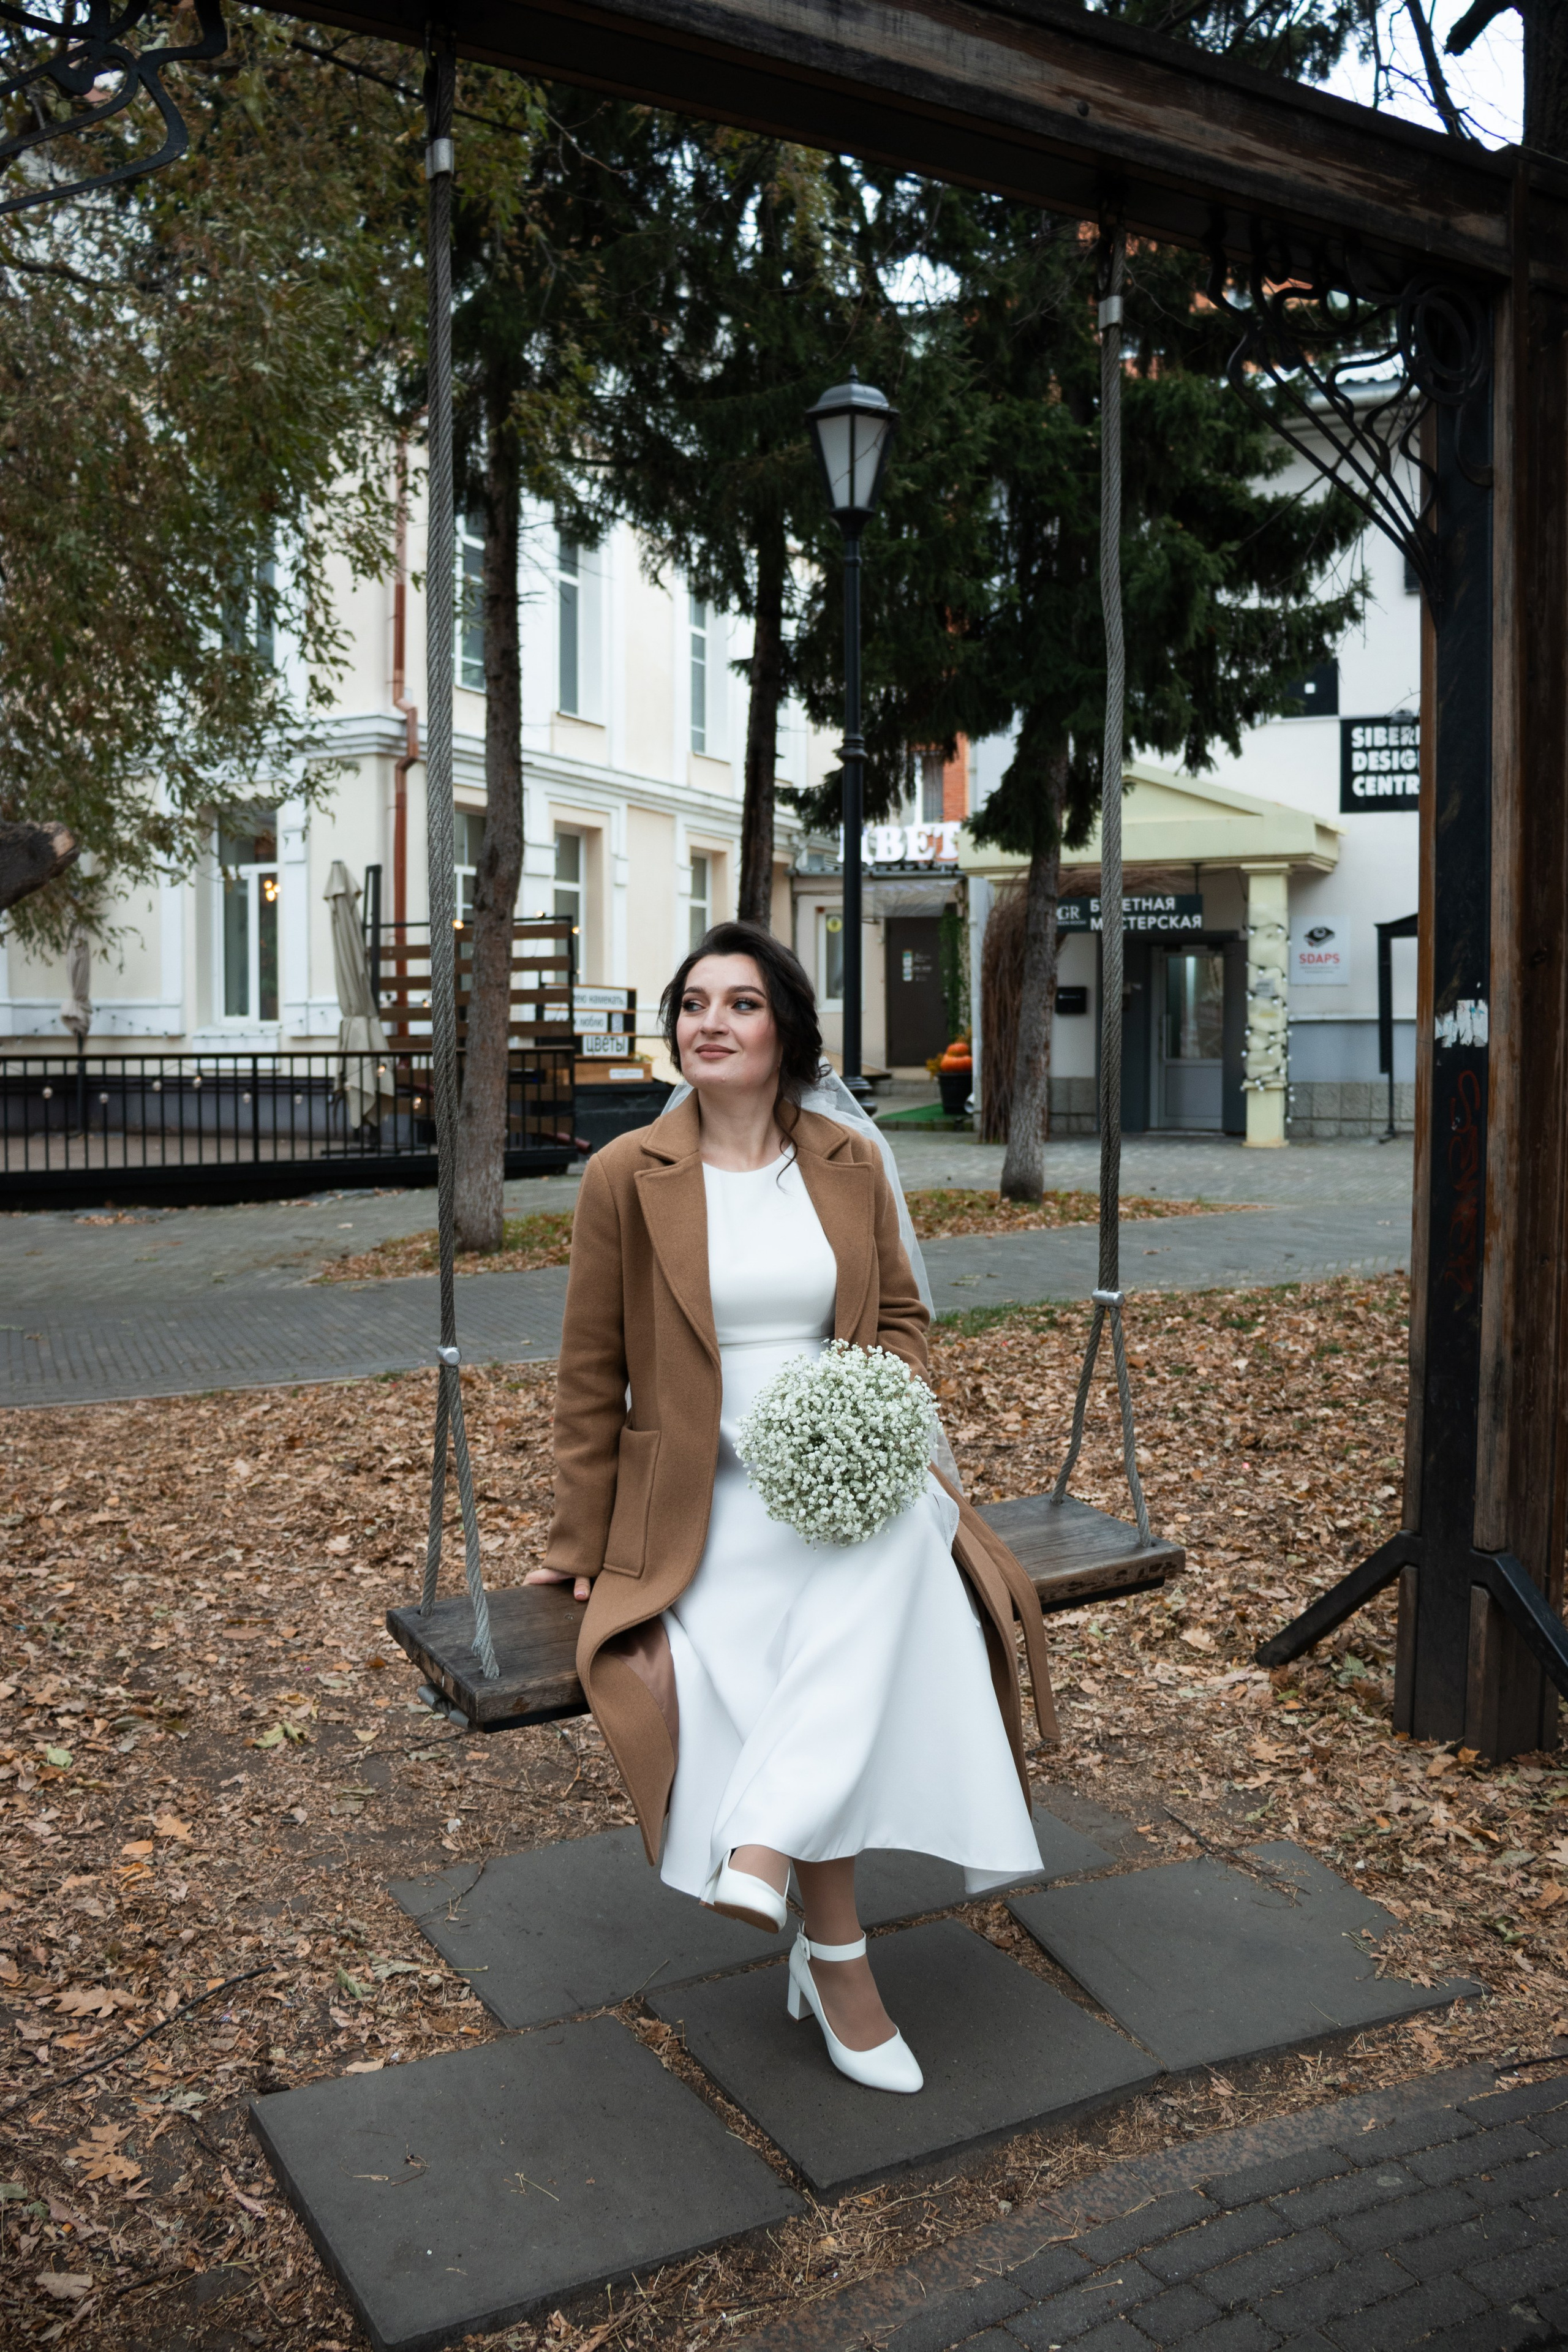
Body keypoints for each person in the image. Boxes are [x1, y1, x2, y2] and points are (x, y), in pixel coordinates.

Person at [527, 922, 1055, 2094]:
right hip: (705, 1506)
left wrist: (881, 1417)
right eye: (692, 1002)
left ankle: (770, 1857)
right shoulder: (627, 1177)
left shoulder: (847, 1164)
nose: (709, 1021)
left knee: (896, 1540)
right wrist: (576, 1541)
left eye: (741, 1004)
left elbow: (906, 1322)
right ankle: (834, 1954)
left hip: (843, 1482)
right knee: (854, 1608)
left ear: (785, 1033)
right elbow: (586, 1374)